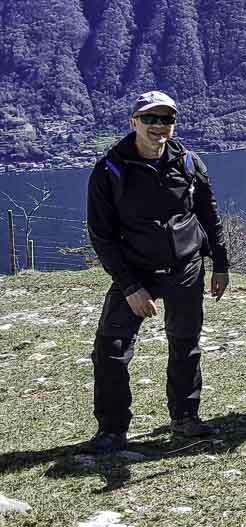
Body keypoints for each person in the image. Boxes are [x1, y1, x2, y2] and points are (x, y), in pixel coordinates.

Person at [84, 91, 230, 453]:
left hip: (185, 267)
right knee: (111, 349)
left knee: (185, 343)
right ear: (134, 122)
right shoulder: (110, 171)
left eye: (166, 119)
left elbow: (209, 216)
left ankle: (185, 417)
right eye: (150, 119)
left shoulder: (190, 163)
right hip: (136, 270)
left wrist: (222, 264)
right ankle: (112, 430)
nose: (158, 126)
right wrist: (130, 286)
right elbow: (101, 235)